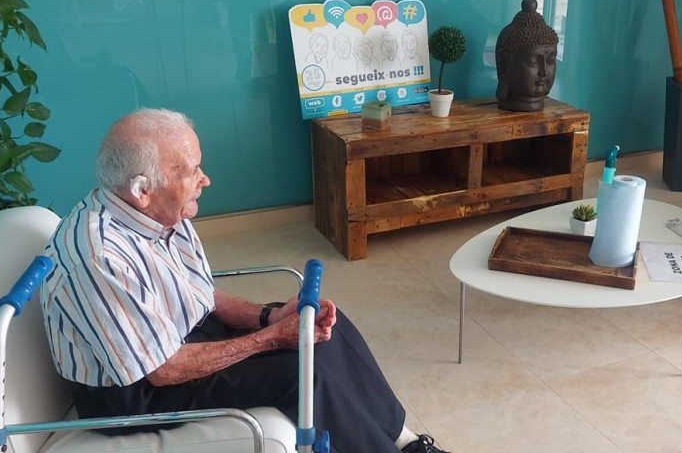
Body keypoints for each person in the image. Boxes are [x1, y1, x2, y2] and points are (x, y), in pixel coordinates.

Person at [39, 109, 448, 453]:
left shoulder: (158, 213)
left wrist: (270, 318)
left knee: (323, 330)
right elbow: (162, 370)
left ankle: (406, 442)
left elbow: (199, 295)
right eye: (192, 171)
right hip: (134, 393)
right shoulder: (100, 256)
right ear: (141, 189)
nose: (205, 179)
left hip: (179, 344)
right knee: (300, 372)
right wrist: (272, 338)